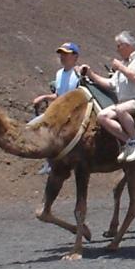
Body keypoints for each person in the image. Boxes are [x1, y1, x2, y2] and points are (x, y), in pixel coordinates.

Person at [80, 31, 135, 162]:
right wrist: (91, 74)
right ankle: (129, 142)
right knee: (102, 116)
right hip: (126, 102)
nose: (117, 50)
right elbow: (110, 84)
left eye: (118, 46)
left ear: (127, 45)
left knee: (121, 109)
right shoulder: (124, 63)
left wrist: (120, 67)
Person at [32, 42, 82, 174]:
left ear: (75, 56)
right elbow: (58, 95)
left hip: (73, 112)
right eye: (61, 54)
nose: (63, 57)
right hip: (59, 110)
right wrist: (44, 97)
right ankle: (49, 161)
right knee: (33, 126)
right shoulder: (59, 73)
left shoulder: (79, 74)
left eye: (66, 54)